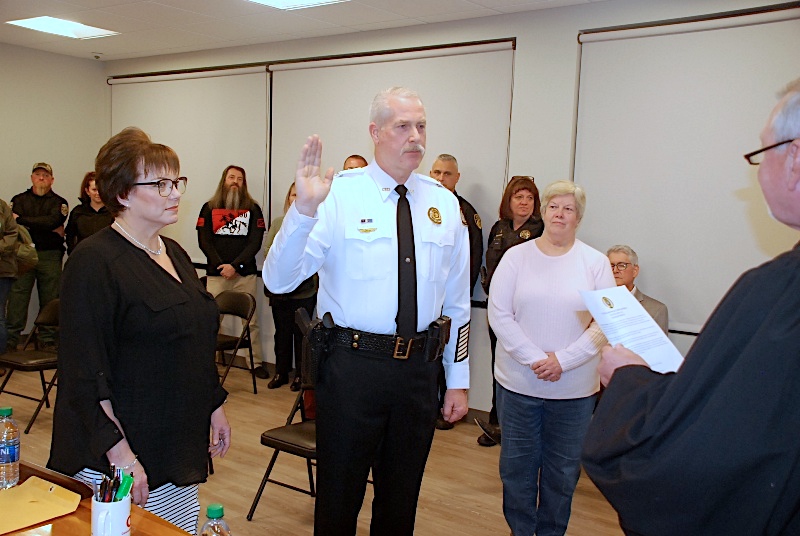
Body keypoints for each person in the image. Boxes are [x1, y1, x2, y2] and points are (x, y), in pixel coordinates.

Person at [582, 79, 800, 536]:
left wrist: (626, 380)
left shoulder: (778, 296)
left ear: (795, 157)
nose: (759, 173)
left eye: (763, 154)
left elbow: (697, 454)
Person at [263, 87, 471, 536]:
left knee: (401, 501)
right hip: (353, 369)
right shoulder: (339, 196)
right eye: (403, 126)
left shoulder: (444, 203)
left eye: (421, 126)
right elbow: (279, 281)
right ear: (375, 132)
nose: (415, 136)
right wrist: (302, 210)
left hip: (419, 370)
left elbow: (456, 304)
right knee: (339, 497)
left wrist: (458, 379)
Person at [48, 127, 231, 534]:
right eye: (161, 183)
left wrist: (213, 405)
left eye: (176, 181)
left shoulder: (175, 253)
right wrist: (122, 457)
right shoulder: (93, 262)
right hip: (119, 455)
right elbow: (84, 373)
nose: (175, 192)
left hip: (174, 444)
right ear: (123, 194)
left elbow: (193, 338)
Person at [488, 179, 614, 536]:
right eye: (554, 206)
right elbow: (499, 314)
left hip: (574, 393)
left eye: (568, 208)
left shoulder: (596, 263)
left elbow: (604, 322)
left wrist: (563, 360)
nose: (560, 214)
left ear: (579, 217)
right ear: (544, 212)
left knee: (562, 474)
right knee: (517, 470)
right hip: (518, 386)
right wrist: (534, 359)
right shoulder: (516, 257)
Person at [475, 175, 543, 447]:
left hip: (526, 312)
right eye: (519, 197)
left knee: (524, 367)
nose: (524, 203)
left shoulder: (541, 230)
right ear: (509, 201)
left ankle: (521, 430)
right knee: (499, 365)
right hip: (497, 309)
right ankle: (497, 423)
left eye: (530, 198)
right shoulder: (499, 227)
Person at [197, 165, 267, 378]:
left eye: (239, 178)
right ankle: (209, 363)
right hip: (217, 275)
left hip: (244, 275)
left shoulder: (253, 209)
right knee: (211, 321)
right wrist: (222, 266)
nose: (235, 181)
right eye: (231, 177)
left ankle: (255, 363)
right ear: (224, 180)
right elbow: (204, 241)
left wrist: (235, 266)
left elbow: (255, 242)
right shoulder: (209, 208)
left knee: (251, 322)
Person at [429, 153, 482, 430]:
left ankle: (445, 406)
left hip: (450, 305)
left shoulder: (465, 214)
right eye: (436, 172)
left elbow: (468, 265)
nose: (440, 178)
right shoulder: (417, 207)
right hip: (424, 310)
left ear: (457, 178)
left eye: (447, 174)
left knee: (448, 356)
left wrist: (451, 300)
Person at [5, 163, 68, 352]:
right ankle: (10, 341)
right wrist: (44, 226)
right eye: (38, 175)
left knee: (50, 297)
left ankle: (47, 340)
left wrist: (23, 220)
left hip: (49, 255)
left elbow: (52, 221)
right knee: (17, 297)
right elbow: (13, 226)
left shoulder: (60, 202)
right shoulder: (18, 200)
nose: (41, 178)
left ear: (52, 180)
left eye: (45, 175)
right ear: (32, 177)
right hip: (23, 255)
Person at [263, 182, 318, 391]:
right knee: (281, 334)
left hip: (304, 292)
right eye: (293, 195)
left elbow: (311, 257)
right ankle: (281, 372)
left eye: (300, 195)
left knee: (301, 336)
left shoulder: (314, 225)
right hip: (280, 294)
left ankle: (300, 377)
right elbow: (269, 251)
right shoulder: (278, 223)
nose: (296, 199)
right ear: (288, 198)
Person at [606, 244, 668, 334]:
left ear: (635, 271)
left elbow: (660, 347)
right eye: (611, 265)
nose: (615, 270)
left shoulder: (656, 309)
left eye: (621, 265)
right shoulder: (595, 303)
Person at [65, 171, 114, 255]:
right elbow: (70, 235)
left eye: (100, 189)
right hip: (83, 256)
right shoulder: (78, 212)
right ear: (87, 191)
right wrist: (73, 252)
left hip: (107, 257)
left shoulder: (113, 212)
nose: (98, 193)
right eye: (94, 190)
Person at [0, 198, 19, 376]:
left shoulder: (2, 207)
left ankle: (0, 359)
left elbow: (12, 234)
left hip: (2, 270)